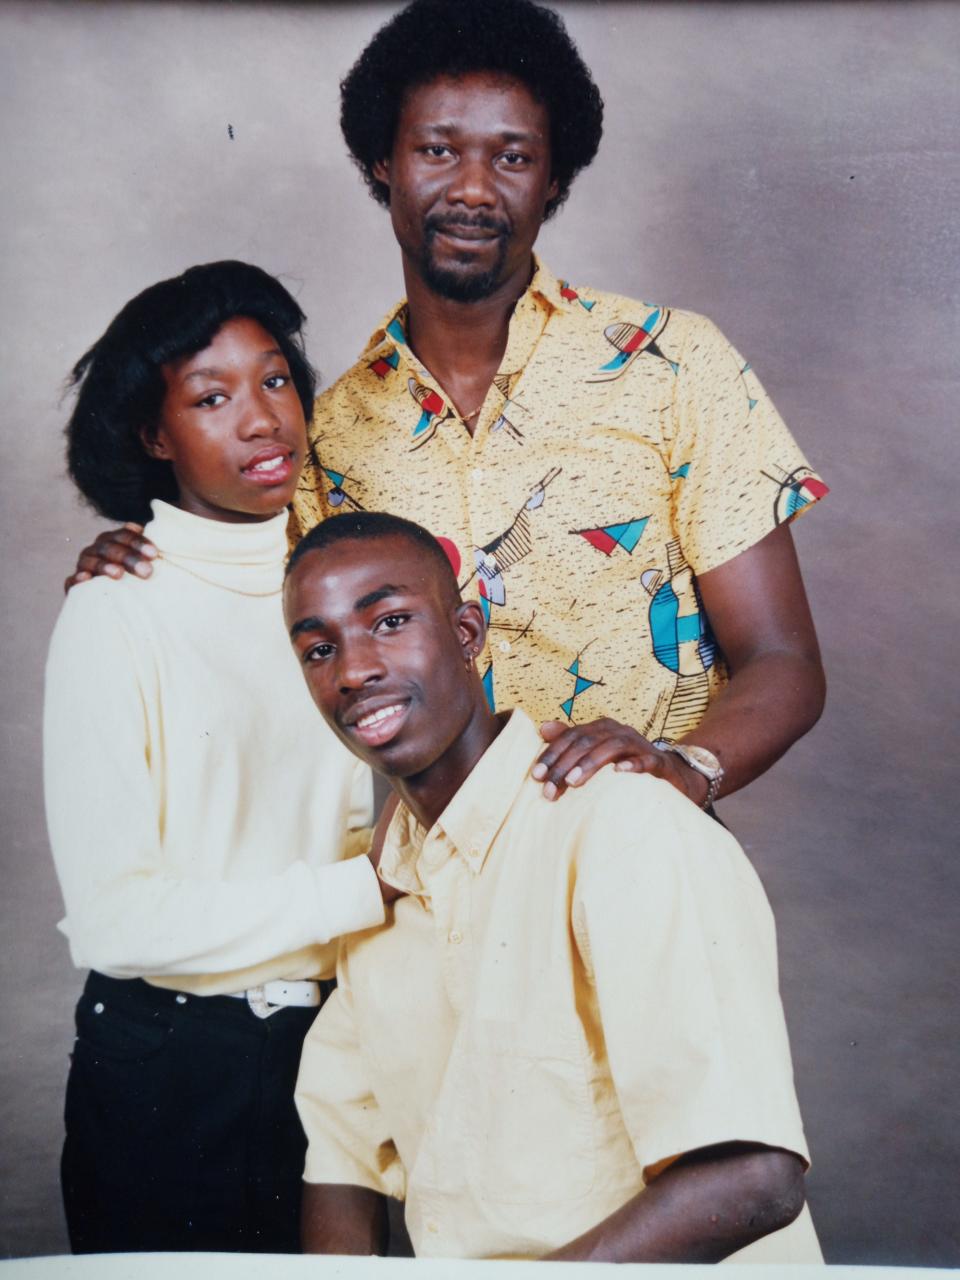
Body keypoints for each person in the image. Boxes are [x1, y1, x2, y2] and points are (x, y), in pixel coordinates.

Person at [68, 0, 827, 811]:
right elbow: (244, 624)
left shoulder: (674, 364)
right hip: (425, 893)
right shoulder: (323, 436)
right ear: (381, 165)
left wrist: (683, 769)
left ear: (554, 178)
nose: (472, 189)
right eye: (437, 149)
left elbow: (782, 659)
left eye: (512, 157)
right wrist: (138, 561)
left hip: (642, 858)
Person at [282, 510, 823, 1263]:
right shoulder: (384, 892)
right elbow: (343, 1163)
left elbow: (751, 1177)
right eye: (318, 649)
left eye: (391, 621)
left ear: (467, 633)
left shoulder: (620, 824)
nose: (353, 670)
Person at [43, 261, 391, 1254]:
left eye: (275, 378)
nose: (261, 418)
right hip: (172, 1062)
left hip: (340, 1049)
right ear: (156, 436)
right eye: (211, 396)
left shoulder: (340, 588)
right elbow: (116, 919)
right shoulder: (118, 609)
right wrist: (361, 891)